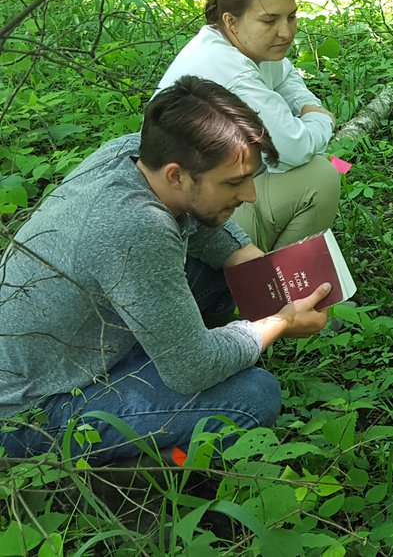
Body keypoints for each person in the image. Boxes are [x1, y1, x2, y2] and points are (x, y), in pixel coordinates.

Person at [0, 77, 333, 462]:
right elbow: (193, 369)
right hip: (32, 410)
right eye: (233, 183)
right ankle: (148, 471)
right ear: (176, 175)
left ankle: (169, 381)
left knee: (228, 272)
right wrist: (280, 322)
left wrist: (255, 265)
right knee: (251, 396)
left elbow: (204, 223)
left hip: (70, 350)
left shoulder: (132, 153)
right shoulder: (135, 228)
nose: (249, 196)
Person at [157, 0, 340, 251]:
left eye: (291, 17)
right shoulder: (233, 73)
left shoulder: (234, 43)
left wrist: (307, 106)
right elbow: (293, 150)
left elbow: (286, 76)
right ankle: (277, 286)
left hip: (212, 191)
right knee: (319, 178)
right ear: (231, 20)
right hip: (192, 220)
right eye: (270, 20)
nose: (287, 32)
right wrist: (322, 120)